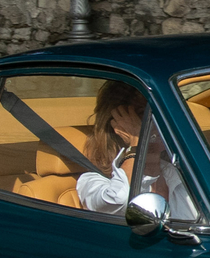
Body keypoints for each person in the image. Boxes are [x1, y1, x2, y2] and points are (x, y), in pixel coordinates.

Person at [74, 80, 198, 220]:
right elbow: (120, 200)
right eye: (143, 115)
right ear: (119, 126)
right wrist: (136, 142)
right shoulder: (92, 182)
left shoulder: (176, 173)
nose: (159, 123)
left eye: (160, 115)